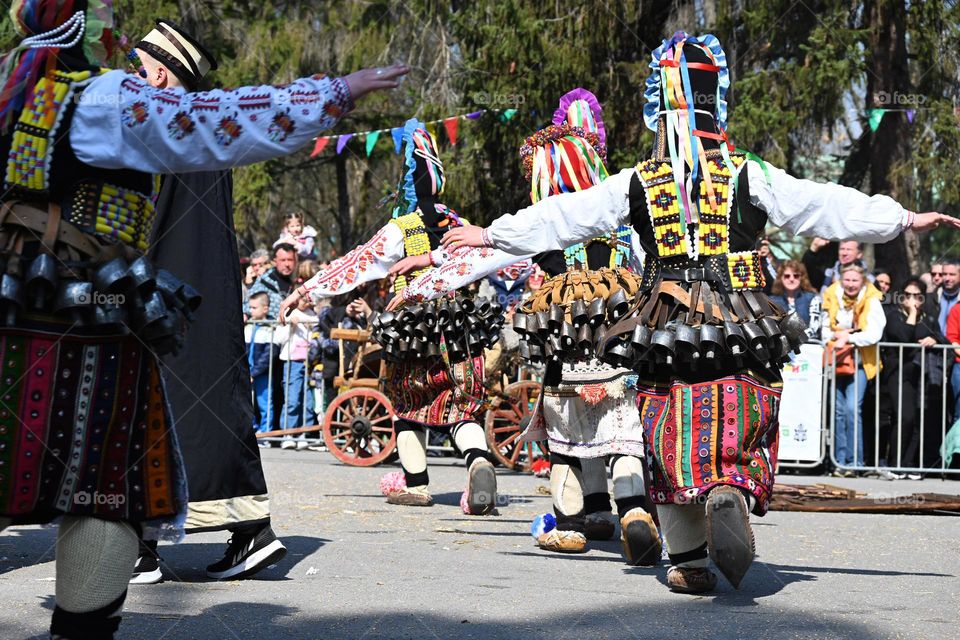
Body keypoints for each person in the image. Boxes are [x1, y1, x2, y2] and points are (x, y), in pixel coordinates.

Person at [439, 31, 959, 593]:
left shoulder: (638, 181)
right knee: (740, 409)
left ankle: (686, 557)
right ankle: (728, 488)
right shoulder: (747, 173)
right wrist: (902, 218)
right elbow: (821, 204)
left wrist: (492, 233)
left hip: (664, 322)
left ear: (656, 109)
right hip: (740, 318)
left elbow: (566, 215)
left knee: (668, 432)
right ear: (719, 101)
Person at [0, 2, 406, 635]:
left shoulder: (11, 87)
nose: (127, 49)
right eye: (120, 38)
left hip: (14, 307)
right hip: (86, 324)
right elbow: (218, 120)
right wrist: (336, 91)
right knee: (101, 491)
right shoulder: (104, 101)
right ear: (89, 33)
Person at [391, 90, 660, 564]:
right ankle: (631, 510)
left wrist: (423, 276)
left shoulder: (543, 222)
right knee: (619, 426)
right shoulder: (620, 216)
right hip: (618, 339)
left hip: (563, 342)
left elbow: (480, 254)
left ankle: (575, 520)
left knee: (566, 432)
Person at [278, 120, 502, 513]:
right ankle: (477, 460)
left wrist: (304, 291)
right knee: (461, 406)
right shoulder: (461, 224)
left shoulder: (403, 227)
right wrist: (439, 258)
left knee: (405, 403)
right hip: (460, 324)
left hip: (412, 326)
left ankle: (416, 484)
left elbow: (356, 263)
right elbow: (492, 257)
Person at [822, 265, 886, 473]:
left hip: (860, 361)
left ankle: (854, 462)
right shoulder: (832, 295)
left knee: (852, 408)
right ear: (841, 280)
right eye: (847, 280)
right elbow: (824, 330)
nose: (850, 284)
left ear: (863, 282)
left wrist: (847, 337)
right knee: (838, 411)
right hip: (836, 360)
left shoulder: (872, 299)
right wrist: (837, 336)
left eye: (855, 281)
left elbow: (874, 333)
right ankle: (840, 462)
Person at [880, 278, 947, 476]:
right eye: (907, 295)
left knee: (917, 420)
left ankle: (908, 464)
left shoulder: (928, 317)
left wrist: (933, 338)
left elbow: (941, 336)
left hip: (920, 373)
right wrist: (912, 313)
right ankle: (896, 464)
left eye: (917, 296)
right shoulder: (894, 316)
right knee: (905, 417)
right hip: (898, 372)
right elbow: (903, 336)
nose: (912, 300)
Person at [246, 292, 277, 436]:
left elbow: (268, 355)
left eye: (254, 308)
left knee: (264, 403)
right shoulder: (247, 326)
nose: (250, 311)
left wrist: (254, 372)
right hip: (247, 370)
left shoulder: (270, 327)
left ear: (265, 309)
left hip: (262, 373)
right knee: (247, 402)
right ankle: (251, 428)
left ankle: (266, 432)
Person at [769, 260, 821, 340]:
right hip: (781, 347)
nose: (791, 279)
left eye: (796, 276)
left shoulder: (813, 299)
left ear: (802, 278)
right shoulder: (771, 301)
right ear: (780, 278)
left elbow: (814, 327)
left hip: (809, 344)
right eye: (787, 276)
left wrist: (796, 340)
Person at [247, 243, 299, 319]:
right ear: (275, 261)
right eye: (283, 260)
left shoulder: (300, 281)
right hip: (270, 328)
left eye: (290, 260)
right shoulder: (264, 281)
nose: (287, 264)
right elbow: (246, 306)